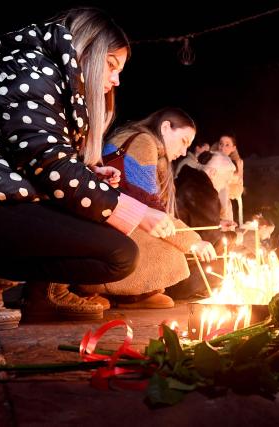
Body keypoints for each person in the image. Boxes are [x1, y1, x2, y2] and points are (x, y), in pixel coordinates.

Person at [0, 8, 176, 330]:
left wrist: (88, 175)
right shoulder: (33, 69)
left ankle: (27, 287)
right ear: (89, 51)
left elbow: (28, 157)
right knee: (117, 254)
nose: (116, 80)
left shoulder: (48, 76)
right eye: (111, 65)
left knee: (117, 250)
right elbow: (47, 162)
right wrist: (136, 212)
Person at [78, 107, 217, 307]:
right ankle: (122, 293)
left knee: (170, 247)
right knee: (172, 256)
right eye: (184, 141)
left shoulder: (139, 140)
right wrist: (193, 242)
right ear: (167, 127)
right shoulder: (143, 143)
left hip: (102, 222)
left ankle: (122, 291)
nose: (184, 151)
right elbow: (150, 208)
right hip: (104, 227)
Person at [167, 150, 236, 299]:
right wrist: (233, 237)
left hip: (176, 260)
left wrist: (218, 224)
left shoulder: (188, 180)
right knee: (230, 260)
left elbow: (193, 221)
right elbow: (210, 242)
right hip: (182, 273)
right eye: (225, 180)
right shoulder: (203, 191)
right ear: (212, 172)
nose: (224, 186)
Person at [215, 134, 244, 225]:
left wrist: (240, 172)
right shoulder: (211, 160)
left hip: (224, 207)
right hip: (212, 204)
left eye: (227, 144)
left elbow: (237, 192)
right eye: (221, 144)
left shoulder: (233, 165)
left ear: (233, 148)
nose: (223, 147)